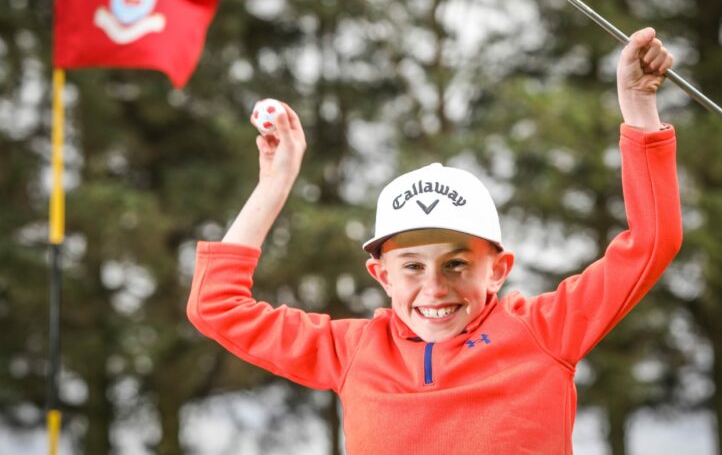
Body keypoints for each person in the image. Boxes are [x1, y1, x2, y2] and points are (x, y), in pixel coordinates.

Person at [187, 27, 682, 454]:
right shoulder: (353, 351)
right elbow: (215, 305)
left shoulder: (543, 332)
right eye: (412, 266)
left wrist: (639, 108)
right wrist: (274, 185)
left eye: (456, 264)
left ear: (499, 267)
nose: (434, 288)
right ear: (381, 275)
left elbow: (652, 240)